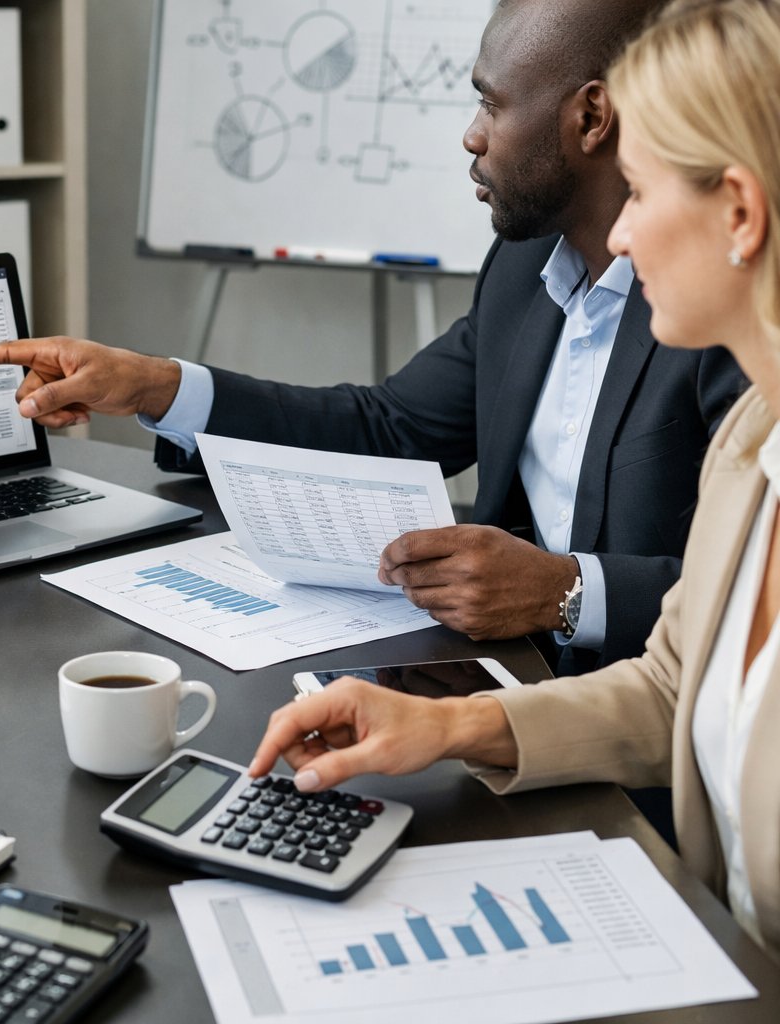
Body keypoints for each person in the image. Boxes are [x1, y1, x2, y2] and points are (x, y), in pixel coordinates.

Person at [0, 0, 748, 676]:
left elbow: (757, 590)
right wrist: (156, 386)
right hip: (501, 684)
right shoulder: (525, 267)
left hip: (660, 734)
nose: (472, 137)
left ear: (591, 117)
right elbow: (391, 427)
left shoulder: (721, 312)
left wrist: (565, 592)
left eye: (492, 105)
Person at [249, 0, 780, 956]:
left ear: (739, 213)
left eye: (641, 192)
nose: (621, 236)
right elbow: (672, 686)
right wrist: (447, 727)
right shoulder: (753, 445)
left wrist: (560, 592)